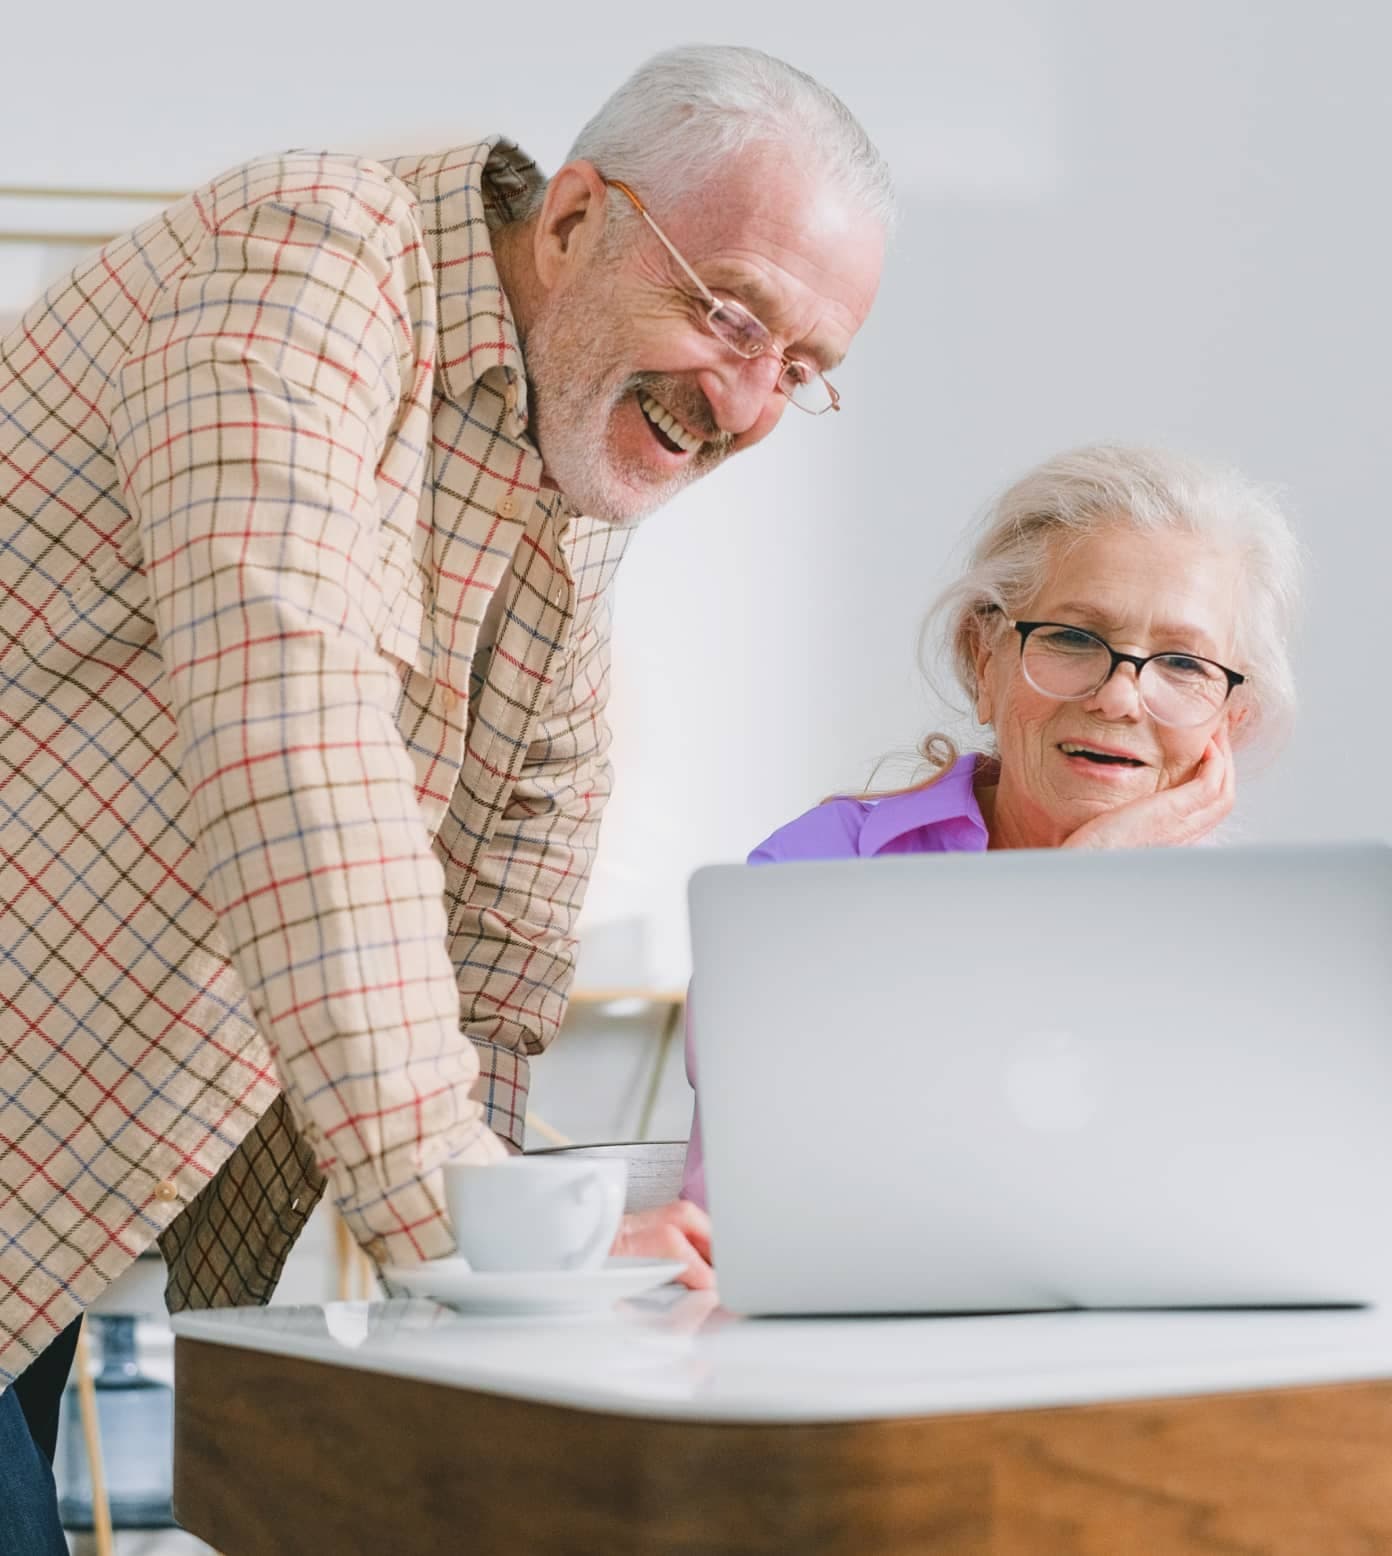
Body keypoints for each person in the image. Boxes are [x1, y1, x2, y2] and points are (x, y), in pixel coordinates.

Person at [0, 45, 890, 1548]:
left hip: (57, 1208)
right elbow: (296, 742)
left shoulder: (566, 454)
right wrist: (457, 1217)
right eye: (731, 313)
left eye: (800, 371)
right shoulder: (307, 260)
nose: (744, 403)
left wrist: (510, 1289)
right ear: (574, 220)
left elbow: (509, 890)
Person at [682, 443, 1301, 1208]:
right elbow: (781, 1143)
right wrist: (1072, 890)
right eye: (1074, 639)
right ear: (984, 658)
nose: (1120, 697)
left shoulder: (1260, 950)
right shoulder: (821, 868)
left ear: (1230, 721)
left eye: (1183, 664)